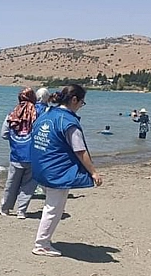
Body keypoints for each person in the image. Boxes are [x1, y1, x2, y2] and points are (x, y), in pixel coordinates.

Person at [30, 84, 103, 257]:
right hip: (56, 170)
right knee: (54, 208)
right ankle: (41, 244)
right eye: (82, 103)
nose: (81, 107)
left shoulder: (48, 113)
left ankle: (43, 241)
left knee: (51, 205)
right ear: (74, 100)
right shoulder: (68, 122)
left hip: (41, 166)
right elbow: (80, 150)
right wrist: (93, 172)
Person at [0, 87, 38, 219]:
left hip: (16, 155)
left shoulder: (12, 114)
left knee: (11, 183)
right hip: (32, 156)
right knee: (28, 185)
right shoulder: (38, 114)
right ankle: (21, 211)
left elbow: (4, 134)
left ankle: (5, 208)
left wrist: (14, 139)